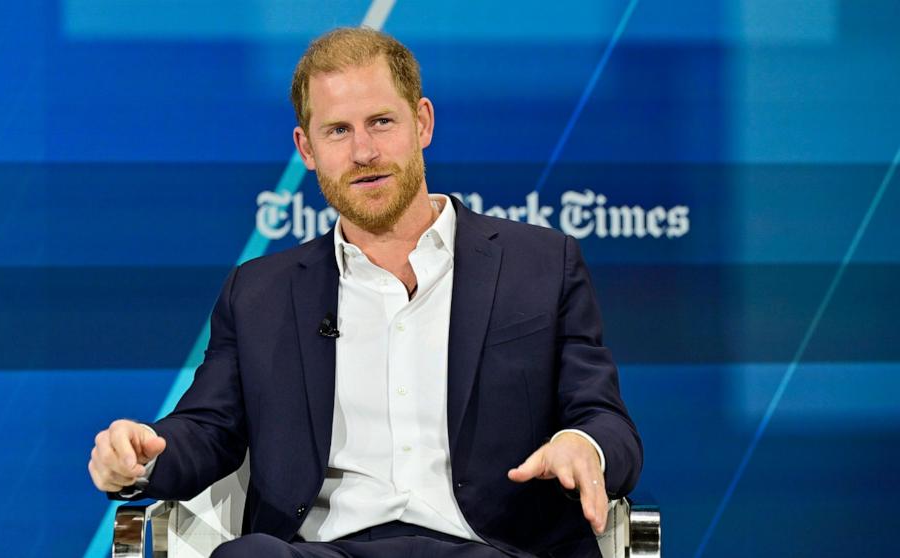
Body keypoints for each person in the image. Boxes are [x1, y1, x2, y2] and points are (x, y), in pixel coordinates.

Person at [88, 28, 642, 558]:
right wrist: (141, 459)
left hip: (495, 545)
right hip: (324, 548)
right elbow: (207, 431)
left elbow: (605, 419)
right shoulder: (258, 293)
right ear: (306, 148)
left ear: (422, 123)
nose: (363, 152)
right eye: (337, 131)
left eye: (381, 122)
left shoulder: (540, 264)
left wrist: (583, 446)